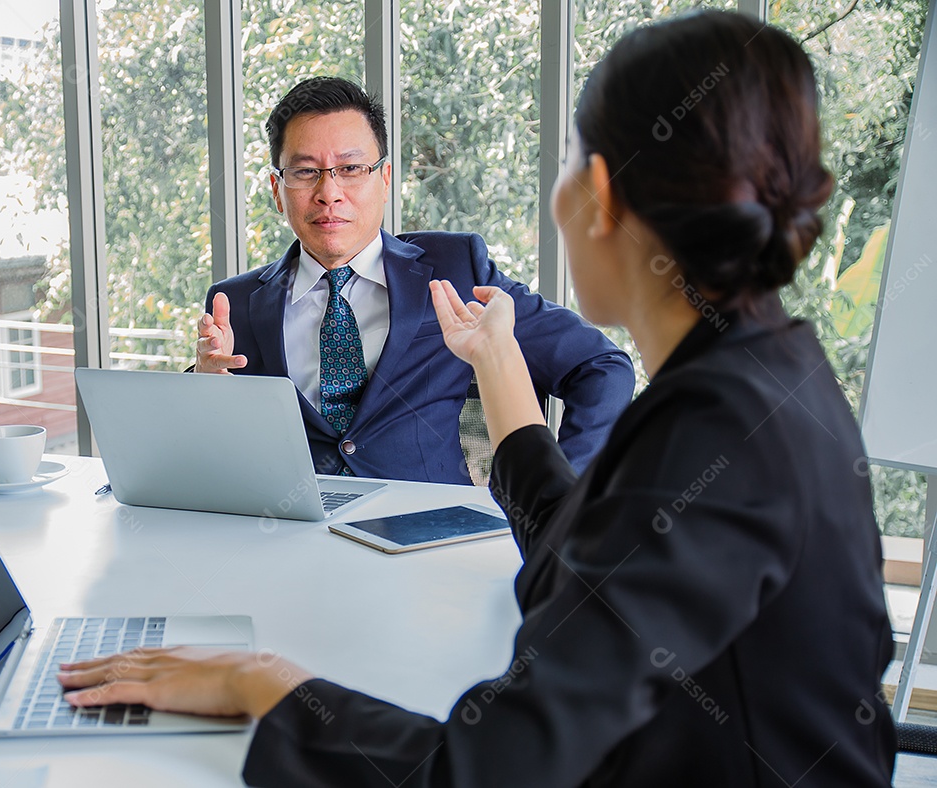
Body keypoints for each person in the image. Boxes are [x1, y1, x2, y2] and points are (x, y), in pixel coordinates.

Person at [59, 11, 896, 785]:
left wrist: (265, 682)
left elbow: (488, 768)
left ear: (598, 195)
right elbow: (586, 582)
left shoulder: (709, 425)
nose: (330, 191)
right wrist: (500, 373)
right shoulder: (768, 373)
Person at [190, 76, 634, 482]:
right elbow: (199, 451)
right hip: (286, 541)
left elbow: (600, 367)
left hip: (425, 545)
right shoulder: (236, 303)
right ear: (276, 190)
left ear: (384, 179)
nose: (329, 192)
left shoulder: (455, 268)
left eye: (350, 169)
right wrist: (202, 390)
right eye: (306, 172)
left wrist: (561, 499)